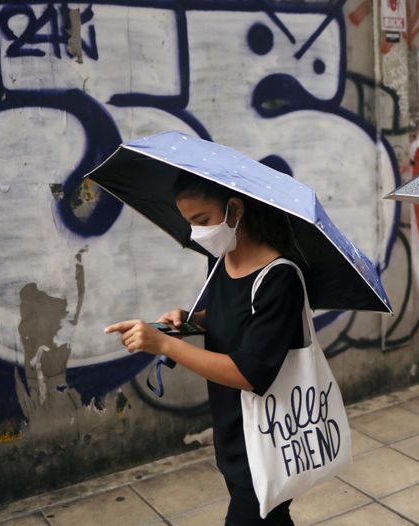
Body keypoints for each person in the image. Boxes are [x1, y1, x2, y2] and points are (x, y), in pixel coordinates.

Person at [105, 173, 305, 526]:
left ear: (235, 208)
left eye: (202, 221)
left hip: (270, 438)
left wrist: (165, 344)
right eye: (189, 224)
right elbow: (234, 318)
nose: (197, 233)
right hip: (231, 430)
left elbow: (249, 372)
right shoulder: (219, 261)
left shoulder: (280, 277)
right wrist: (190, 320)